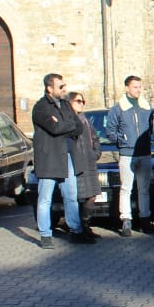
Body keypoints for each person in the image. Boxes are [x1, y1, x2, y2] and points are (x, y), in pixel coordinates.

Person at [32, 72, 88, 248]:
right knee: (45, 199)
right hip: (49, 159)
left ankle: (76, 230)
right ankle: (45, 234)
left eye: (64, 85)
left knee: (71, 196)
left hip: (67, 157)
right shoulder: (41, 108)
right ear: (50, 88)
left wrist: (63, 125)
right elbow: (54, 128)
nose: (65, 89)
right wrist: (64, 126)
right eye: (61, 86)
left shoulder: (65, 105)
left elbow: (78, 126)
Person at [105, 75, 154, 237]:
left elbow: (152, 128)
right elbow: (110, 131)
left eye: (140, 87)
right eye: (135, 87)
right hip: (127, 154)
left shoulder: (146, 107)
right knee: (126, 188)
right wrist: (122, 140)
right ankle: (126, 220)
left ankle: (145, 219)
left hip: (145, 153)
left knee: (144, 189)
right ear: (127, 88)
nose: (138, 90)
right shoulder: (118, 109)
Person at [68, 91, 102, 239]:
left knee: (92, 196)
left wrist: (96, 153)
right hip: (78, 162)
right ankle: (80, 228)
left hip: (89, 161)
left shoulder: (84, 118)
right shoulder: (69, 120)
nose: (81, 103)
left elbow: (95, 137)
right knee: (81, 196)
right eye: (77, 101)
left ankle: (86, 225)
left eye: (83, 101)